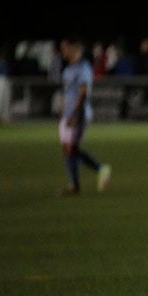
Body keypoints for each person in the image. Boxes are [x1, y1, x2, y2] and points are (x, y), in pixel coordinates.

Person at [58, 38, 111, 195]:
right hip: (68, 114)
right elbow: (69, 92)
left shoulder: (83, 67)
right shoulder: (68, 69)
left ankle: (75, 185)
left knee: (70, 148)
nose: (63, 52)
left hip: (78, 114)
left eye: (65, 48)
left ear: (75, 48)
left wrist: (75, 114)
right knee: (69, 149)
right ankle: (100, 169)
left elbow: (83, 93)